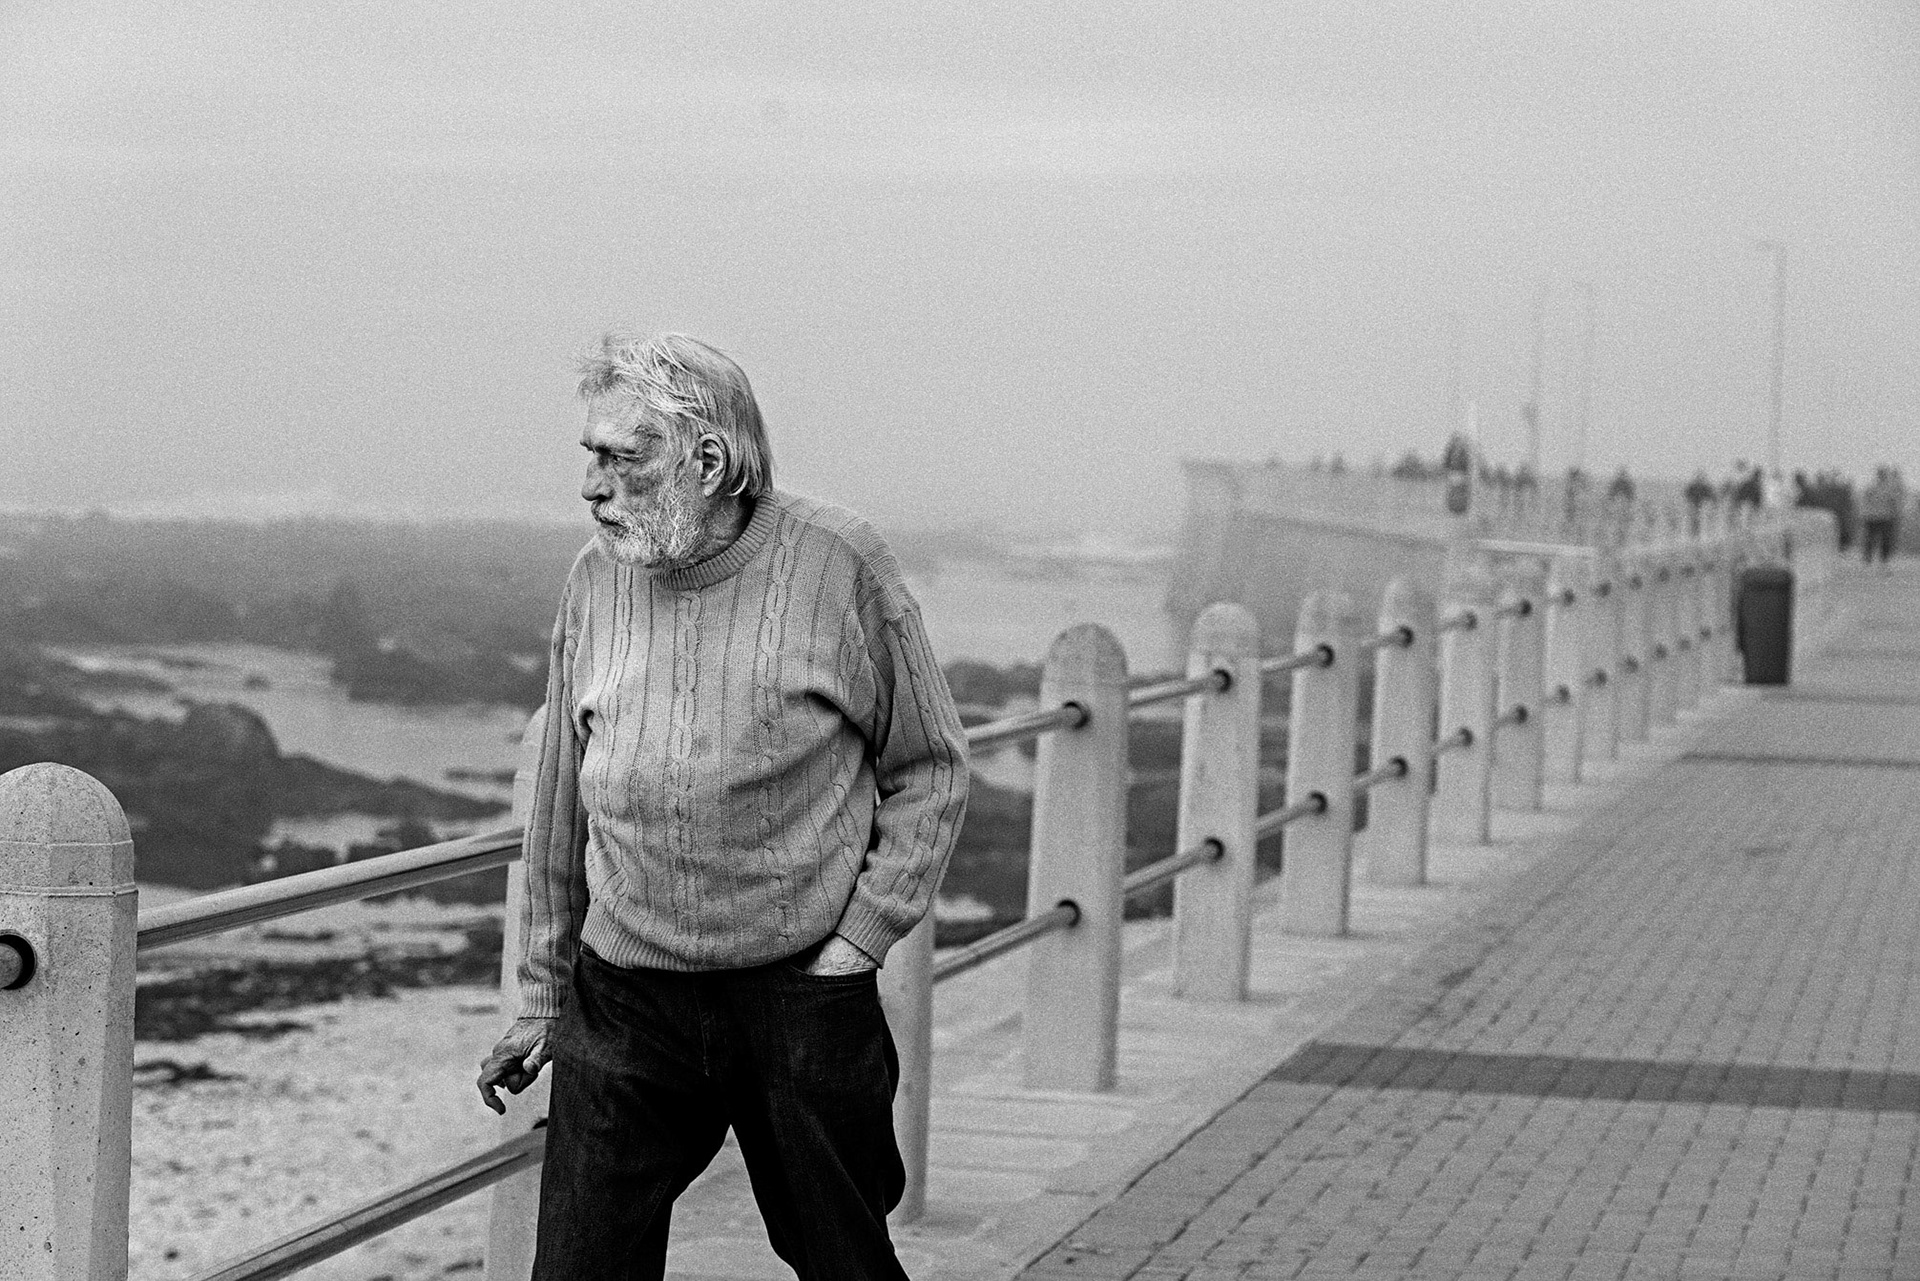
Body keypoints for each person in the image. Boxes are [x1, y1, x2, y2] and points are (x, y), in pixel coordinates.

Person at [475, 332, 970, 1280]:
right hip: (624, 995)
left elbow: (932, 768)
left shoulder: (840, 564)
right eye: (590, 456)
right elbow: (556, 813)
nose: (591, 485)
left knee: (843, 1260)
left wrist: (857, 942)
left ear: (709, 460)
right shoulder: (593, 580)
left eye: (622, 458)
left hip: (798, 991)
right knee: (578, 1268)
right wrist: (540, 999)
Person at [1860, 466, 1906, 566]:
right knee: (1873, 538)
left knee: (1882, 539)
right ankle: (1871, 559)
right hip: (1875, 517)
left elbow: (1894, 503)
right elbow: (1865, 501)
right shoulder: (1874, 488)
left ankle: (1881, 559)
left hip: (1882, 517)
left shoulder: (1885, 488)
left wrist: (1895, 513)